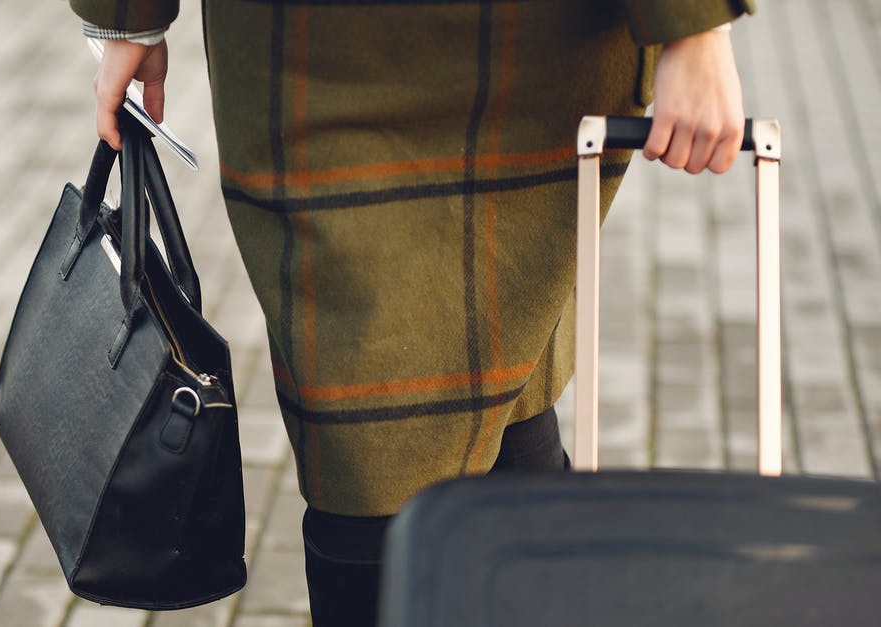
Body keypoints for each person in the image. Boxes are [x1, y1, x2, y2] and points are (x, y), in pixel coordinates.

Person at [70, 1, 754, 624]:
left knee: (511, 374)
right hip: (311, 58)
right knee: (368, 444)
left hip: (538, 52)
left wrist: (694, 24)